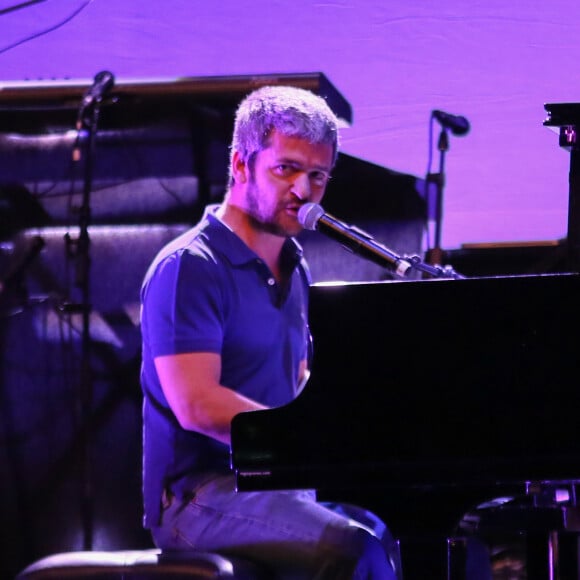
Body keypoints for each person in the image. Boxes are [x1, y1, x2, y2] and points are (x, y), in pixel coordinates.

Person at [139, 84, 399, 579]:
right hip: (199, 496)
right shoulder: (189, 266)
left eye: (318, 175)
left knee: (386, 534)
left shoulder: (294, 268)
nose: (304, 191)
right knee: (355, 549)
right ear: (240, 164)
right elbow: (196, 405)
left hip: (277, 485)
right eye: (286, 169)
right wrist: (305, 437)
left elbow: (297, 384)